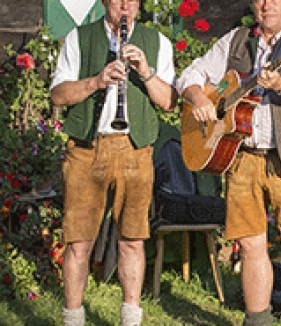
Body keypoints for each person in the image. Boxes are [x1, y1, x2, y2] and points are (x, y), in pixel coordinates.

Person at [176, 0, 281, 324]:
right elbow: (190, 74)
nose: (267, 4)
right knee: (250, 247)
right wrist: (199, 97)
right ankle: (257, 320)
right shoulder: (235, 40)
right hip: (241, 156)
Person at [50, 0, 176, 324]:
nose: (125, 6)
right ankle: (73, 318)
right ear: (105, 1)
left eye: (132, 0)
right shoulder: (79, 39)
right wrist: (97, 81)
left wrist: (145, 72)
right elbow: (58, 95)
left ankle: (130, 319)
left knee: (132, 240)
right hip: (86, 149)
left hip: (135, 150)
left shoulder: (157, 42)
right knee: (79, 242)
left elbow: (168, 102)